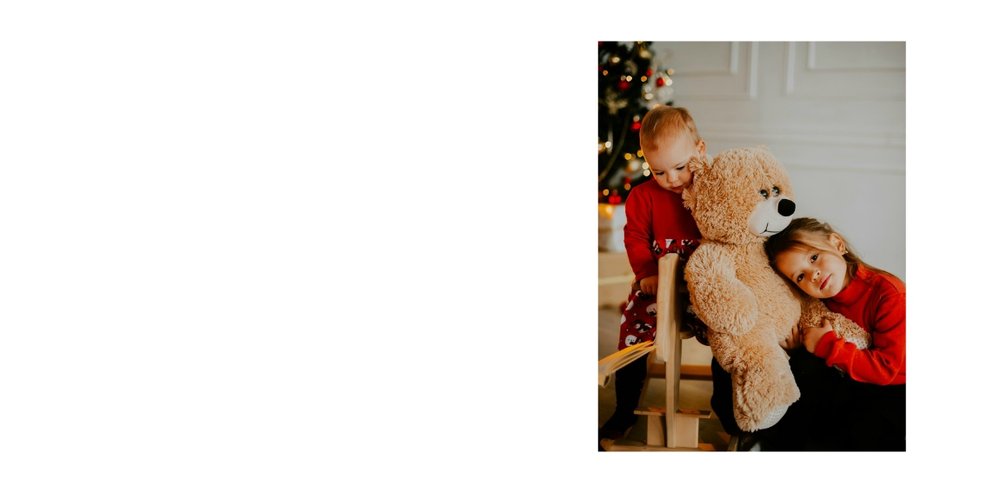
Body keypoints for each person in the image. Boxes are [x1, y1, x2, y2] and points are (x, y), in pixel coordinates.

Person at [599, 106, 708, 447]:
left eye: (680, 167)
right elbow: (634, 238)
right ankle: (624, 409)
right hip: (656, 283)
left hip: (706, 284)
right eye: (659, 171)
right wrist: (646, 272)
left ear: (700, 150)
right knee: (632, 336)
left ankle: (731, 406)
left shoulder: (711, 190)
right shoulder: (643, 196)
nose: (672, 179)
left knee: (731, 334)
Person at [763, 217, 905, 451]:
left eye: (814, 258)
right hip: (852, 380)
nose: (813, 275)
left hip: (895, 390)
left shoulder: (889, 294)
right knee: (802, 368)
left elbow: (887, 369)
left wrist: (826, 344)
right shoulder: (818, 303)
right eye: (800, 276)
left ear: (838, 244)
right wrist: (799, 346)